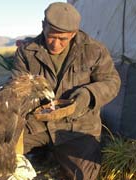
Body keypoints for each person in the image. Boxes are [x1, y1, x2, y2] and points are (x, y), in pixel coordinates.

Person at [12, 2, 121, 180]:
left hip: (76, 127)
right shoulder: (26, 52)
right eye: (50, 36)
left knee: (84, 176)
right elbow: (16, 88)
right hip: (36, 126)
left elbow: (112, 81)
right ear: (43, 26)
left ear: (73, 33)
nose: (55, 44)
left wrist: (88, 94)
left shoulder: (94, 50)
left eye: (63, 39)